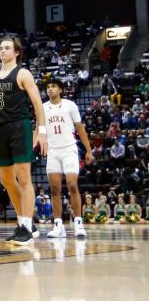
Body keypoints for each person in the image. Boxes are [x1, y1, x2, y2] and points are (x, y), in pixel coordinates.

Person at [0, 36, 48, 246]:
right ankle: (26, 225)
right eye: (0, 48)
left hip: (20, 126)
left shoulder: (23, 73)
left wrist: (41, 131)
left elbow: (37, 104)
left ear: (16, 52)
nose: (2, 51)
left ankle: (25, 226)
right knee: (7, 180)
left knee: (24, 177)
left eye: (7, 48)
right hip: (1, 129)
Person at [42, 78, 93, 239]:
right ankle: (58, 225)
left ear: (61, 90)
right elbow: (39, 129)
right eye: (48, 87)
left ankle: (78, 222)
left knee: (72, 184)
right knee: (55, 189)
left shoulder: (70, 105)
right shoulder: (42, 108)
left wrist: (89, 150)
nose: (50, 89)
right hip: (53, 151)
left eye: (53, 86)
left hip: (69, 148)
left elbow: (80, 128)